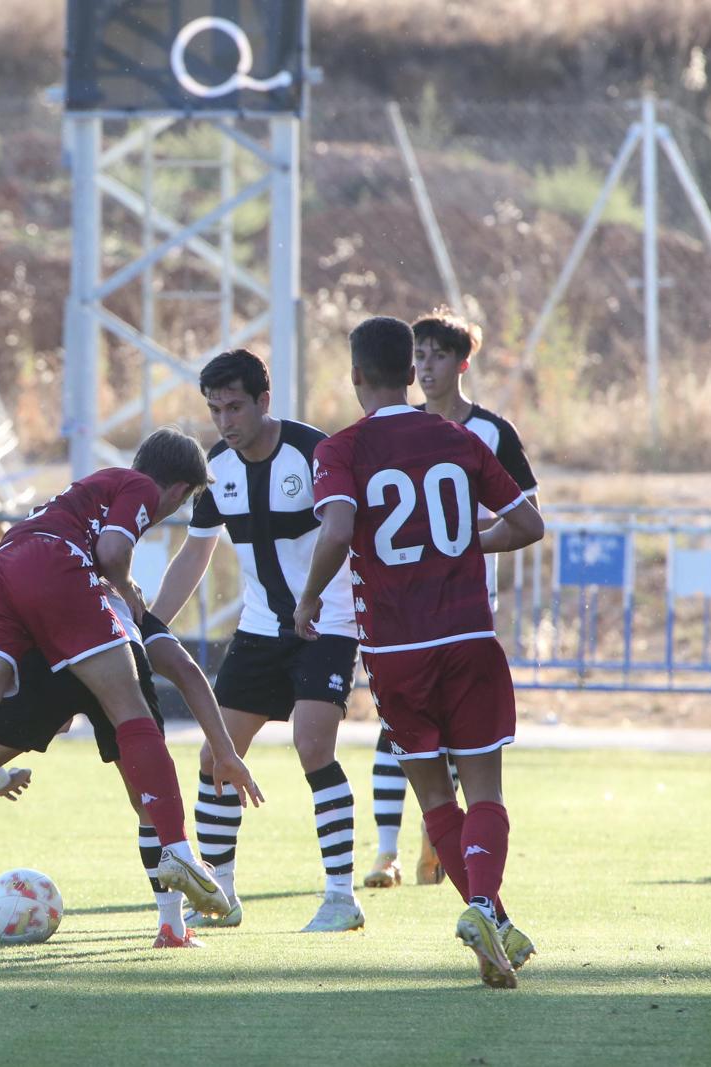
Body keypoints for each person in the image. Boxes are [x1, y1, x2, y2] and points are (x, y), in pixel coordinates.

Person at [0, 428, 251, 920]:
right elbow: (184, 667)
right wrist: (226, 751)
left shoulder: (73, 506)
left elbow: (17, 656)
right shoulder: (134, 498)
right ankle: (177, 875)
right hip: (65, 595)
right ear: (179, 490)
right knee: (136, 735)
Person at [294, 315, 545, 988]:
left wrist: (309, 596)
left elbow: (340, 525)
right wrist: (464, 543)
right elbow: (528, 522)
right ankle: (487, 909)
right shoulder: (457, 437)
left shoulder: (339, 449)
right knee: (486, 788)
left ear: (354, 378)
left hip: (396, 650)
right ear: (411, 372)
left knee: (435, 797)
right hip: (466, 637)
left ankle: (485, 915)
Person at [0, 592, 263, 950]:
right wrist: (224, 750)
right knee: (149, 803)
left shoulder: (29, 587)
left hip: (48, 661)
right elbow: (185, 668)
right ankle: (171, 927)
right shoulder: (119, 596)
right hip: (118, 659)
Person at [152, 349, 364, 933]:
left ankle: (342, 898)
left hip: (328, 623)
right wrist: (150, 625)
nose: (225, 421)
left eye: (236, 406)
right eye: (216, 409)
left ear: (264, 401)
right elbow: (195, 553)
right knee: (215, 756)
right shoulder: (216, 466)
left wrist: (322, 600)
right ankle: (221, 895)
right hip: (260, 630)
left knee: (313, 745)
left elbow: (347, 534)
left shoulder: (314, 452)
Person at [364, 309, 541, 890]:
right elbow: (525, 524)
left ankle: (446, 861)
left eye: (438, 354)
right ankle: (391, 851)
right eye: (419, 355)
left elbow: (524, 516)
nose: (426, 364)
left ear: (462, 362)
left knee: (439, 760)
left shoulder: (489, 433)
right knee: (408, 747)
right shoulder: (405, 430)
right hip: (436, 624)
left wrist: (463, 545)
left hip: (453, 613)